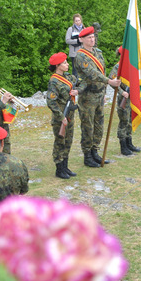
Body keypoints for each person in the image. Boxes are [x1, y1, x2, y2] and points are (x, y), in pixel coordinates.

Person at [74, 26, 121, 167]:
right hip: (88, 95)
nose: (92, 39)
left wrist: (104, 91)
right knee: (88, 126)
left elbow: (103, 70)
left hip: (99, 94)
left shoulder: (98, 53)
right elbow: (92, 73)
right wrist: (109, 81)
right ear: (82, 39)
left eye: (93, 37)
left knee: (99, 125)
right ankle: (87, 155)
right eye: (89, 37)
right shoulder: (80, 56)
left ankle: (95, 151)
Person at [47, 52, 79, 178]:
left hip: (70, 115)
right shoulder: (54, 81)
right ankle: (59, 169)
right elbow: (51, 102)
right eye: (64, 63)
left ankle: (65, 167)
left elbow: (80, 83)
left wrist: (77, 91)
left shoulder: (68, 77)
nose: (67, 64)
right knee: (60, 142)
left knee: (68, 141)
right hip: (61, 117)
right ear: (57, 66)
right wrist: (61, 117)